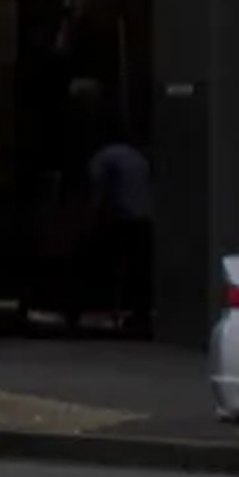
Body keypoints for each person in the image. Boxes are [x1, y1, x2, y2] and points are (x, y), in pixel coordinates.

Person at [85, 128, 154, 337]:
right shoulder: (137, 156)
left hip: (123, 217)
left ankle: (112, 307)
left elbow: (99, 190)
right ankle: (139, 311)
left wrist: (92, 219)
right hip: (145, 216)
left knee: (117, 264)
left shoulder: (103, 156)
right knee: (139, 267)